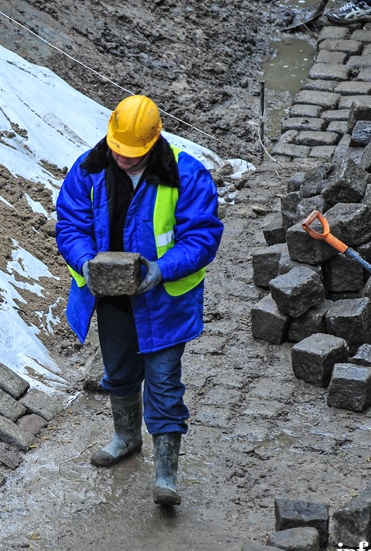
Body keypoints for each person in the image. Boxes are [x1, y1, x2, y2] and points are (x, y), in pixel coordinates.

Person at [55, 95, 223, 506]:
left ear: (153, 142)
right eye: (118, 150)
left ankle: (166, 474)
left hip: (164, 303)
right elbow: (70, 225)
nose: (124, 159)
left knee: (164, 383)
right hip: (111, 301)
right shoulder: (90, 167)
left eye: (133, 154)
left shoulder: (186, 173)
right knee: (119, 372)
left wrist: (160, 270)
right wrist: (86, 263)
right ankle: (126, 437)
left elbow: (202, 236)